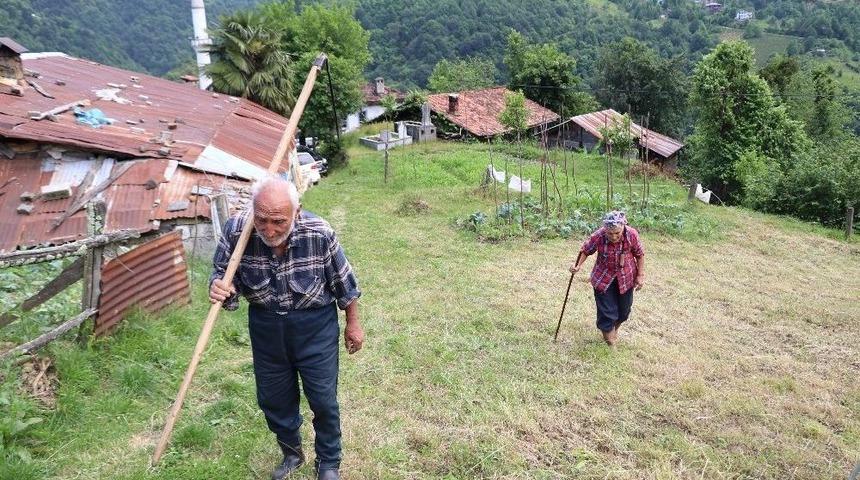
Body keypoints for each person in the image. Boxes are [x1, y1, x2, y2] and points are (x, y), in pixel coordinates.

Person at [209, 176, 363, 480]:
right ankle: (291, 453)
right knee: (273, 398)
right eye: (262, 219)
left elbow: (345, 284)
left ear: (298, 211)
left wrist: (353, 325)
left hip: (314, 327)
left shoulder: (318, 232)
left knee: (323, 399)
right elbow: (221, 275)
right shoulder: (237, 231)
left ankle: (329, 463)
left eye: (278, 221)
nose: (268, 230)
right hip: (266, 327)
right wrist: (218, 287)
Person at [569, 211, 645, 346]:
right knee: (607, 313)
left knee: (624, 312)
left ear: (623, 227)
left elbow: (639, 254)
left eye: (617, 233)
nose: (614, 237)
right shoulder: (598, 236)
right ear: (605, 229)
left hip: (626, 278)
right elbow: (585, 250)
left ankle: (612, 332)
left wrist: (640, 275)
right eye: (610, 233)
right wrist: (578, 266)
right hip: (603, 279)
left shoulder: (631, 234)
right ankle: (611, 344)